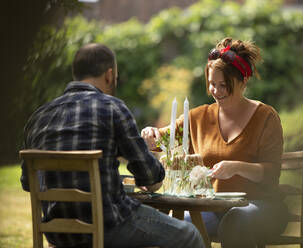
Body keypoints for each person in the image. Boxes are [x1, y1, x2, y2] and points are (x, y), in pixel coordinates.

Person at [20, 43, 204, 248]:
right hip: (110, 225)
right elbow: (152, 179)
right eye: (115, 78)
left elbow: (29, 184)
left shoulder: (37, 118)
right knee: (189, 235)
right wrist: (147, 150)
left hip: (59, 234)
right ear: (109, 75)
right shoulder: (112, 108)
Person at [141, 37, 289, 248]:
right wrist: (151, 133)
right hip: (213, 209)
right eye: (212, 84)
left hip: (261, 206)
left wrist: (236, 167)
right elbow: (162, 140)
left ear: (244, 81)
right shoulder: (197, 117)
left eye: (224, 85)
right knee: (174, 226)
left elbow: (271, 172)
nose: (217, 91)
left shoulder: (265, 117)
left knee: (235, 220)